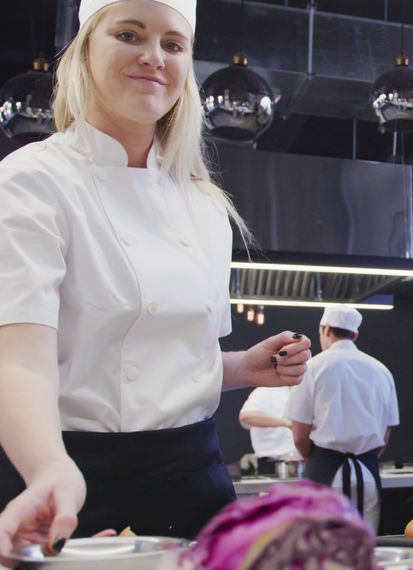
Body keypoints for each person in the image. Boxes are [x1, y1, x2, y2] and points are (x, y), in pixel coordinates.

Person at [0, 0, 312, 555]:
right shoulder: (32, 181)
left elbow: (168, 362)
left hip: (196, 483)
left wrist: (241, 367)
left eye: (173, 44)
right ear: (85, 50)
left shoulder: (204, 204)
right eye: (129, 34)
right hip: (71, 480)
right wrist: (48, 467)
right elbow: (20, 360)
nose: (153, 57)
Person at [286, 305, 399, 532]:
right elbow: (386, 432)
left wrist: (318, 460)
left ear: (325, 329)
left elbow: (299, 435)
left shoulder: (313, 367)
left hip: (325, 472)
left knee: (323, 554)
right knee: (366, 549)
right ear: (355, 334)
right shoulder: (381, 370)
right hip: (368, 472)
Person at [239, 387, 302, 476]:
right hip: (272, 463)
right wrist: (286, 423)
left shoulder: (301, 391)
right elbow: (246, 416)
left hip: (300, 462)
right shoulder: (264, 391)